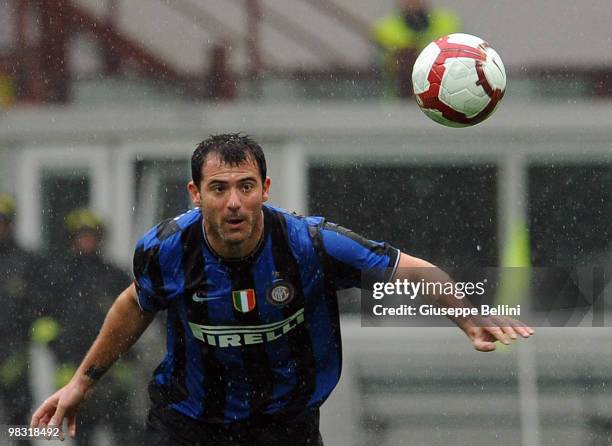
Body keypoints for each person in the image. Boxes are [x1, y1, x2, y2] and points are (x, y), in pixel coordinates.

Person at [31, 133, 533, 445]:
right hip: (188, 422)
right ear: (195, 193)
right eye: (219, 188)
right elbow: (134, 304)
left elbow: (410, 269)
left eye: (246, 186)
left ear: (265, 189)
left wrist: (468, 315)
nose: (234, 202)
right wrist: (81, 384)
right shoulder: (166, 248)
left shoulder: (312, 244)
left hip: (284, 423)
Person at [42, 209, 140, 444]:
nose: (86, 240)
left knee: (123, 432)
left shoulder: (115, 274)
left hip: (112, 368)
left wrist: (126, 360)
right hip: (72, 367)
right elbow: (43, 322)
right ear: (71, 238)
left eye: (91, 235)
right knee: (81, 432)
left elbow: (134, 317)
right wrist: (61, 355)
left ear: (100, 239)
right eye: (81, 235)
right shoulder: (58, 275)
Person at [0, 194, 41, 441]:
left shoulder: (26, 262)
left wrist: (18, 344)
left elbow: (37, 307)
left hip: (16, 353)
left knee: (20, 422)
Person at [372, 0, 461, 98]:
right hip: (400, 101)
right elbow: (382, 66)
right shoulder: (385, 29)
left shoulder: (447, 23)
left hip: (444, 97)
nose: (412, 2)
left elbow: (456, 59)